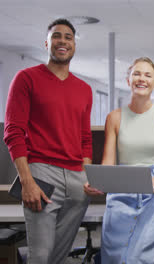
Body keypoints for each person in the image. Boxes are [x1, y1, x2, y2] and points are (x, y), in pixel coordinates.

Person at [3, 19, 92, 263]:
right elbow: (13, 132)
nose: (62, 41)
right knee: (40, 256)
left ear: (74, 45)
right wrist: (27, 180)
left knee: (59, 255)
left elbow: (85, 138)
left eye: (68, 37)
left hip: (77, 180)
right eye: (56, 36)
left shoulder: (84, 89)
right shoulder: (26, 78)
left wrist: (87, 176)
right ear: (47, 43)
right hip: (42, 174)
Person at [84, 57, 154, 263]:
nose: (141, 79)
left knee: (140, 255)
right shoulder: (114, 117)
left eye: (148, 75)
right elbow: (108, 161)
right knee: (117, 257)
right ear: (128, 80)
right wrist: (98, 182)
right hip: (122, 192)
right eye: (136, 74)